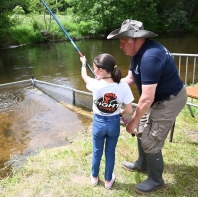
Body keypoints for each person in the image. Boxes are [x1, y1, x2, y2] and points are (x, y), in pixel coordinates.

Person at [107, 19, 188, 194]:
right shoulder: (137, 53)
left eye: (122, 42)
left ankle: (156, 180)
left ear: (134, 40)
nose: (120, 46)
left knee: (150, 138)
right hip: (155, 97)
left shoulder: (151, 56)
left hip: (170, 99)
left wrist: (132, 120)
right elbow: (130, 79)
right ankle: (142, 164)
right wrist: (110, 88)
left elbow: (146, 98)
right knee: (141, 130)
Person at [80, 53, 134, 189]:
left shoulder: (95, 84)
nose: (94, 70)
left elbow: (84, 77)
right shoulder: (123, 86)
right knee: (110, 152)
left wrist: (83, 63)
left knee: (97, 151)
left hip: (98, 123)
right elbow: (129, 109)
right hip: (114, 123)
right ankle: (108, 180)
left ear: (101, 70)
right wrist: (119, 111)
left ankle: (94, 177)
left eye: (94, 68)